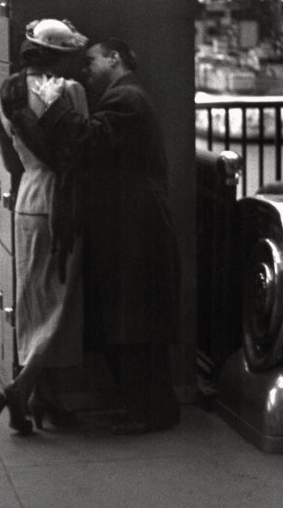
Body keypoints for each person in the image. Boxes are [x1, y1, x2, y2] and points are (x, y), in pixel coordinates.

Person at [33, 37, 181, 435]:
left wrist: (52, 106)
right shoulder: (126, 96)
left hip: (136, 228)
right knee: (134, 321)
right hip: (133, 225)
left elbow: (86, 140)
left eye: (91, 62)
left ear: (114, 58)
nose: (85, 70)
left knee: (134, 323)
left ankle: (150, 411)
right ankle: (147, 408)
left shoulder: (126, 99)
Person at [0, 18, 89, 435]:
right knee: (60, 303)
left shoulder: (8, 92)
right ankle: (23, 387)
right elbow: (81, 148)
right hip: (61, 201)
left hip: (27, 199)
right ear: (60, 56)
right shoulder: (70, 92)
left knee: (33, 300)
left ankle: (43, 400)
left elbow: (9, 158)